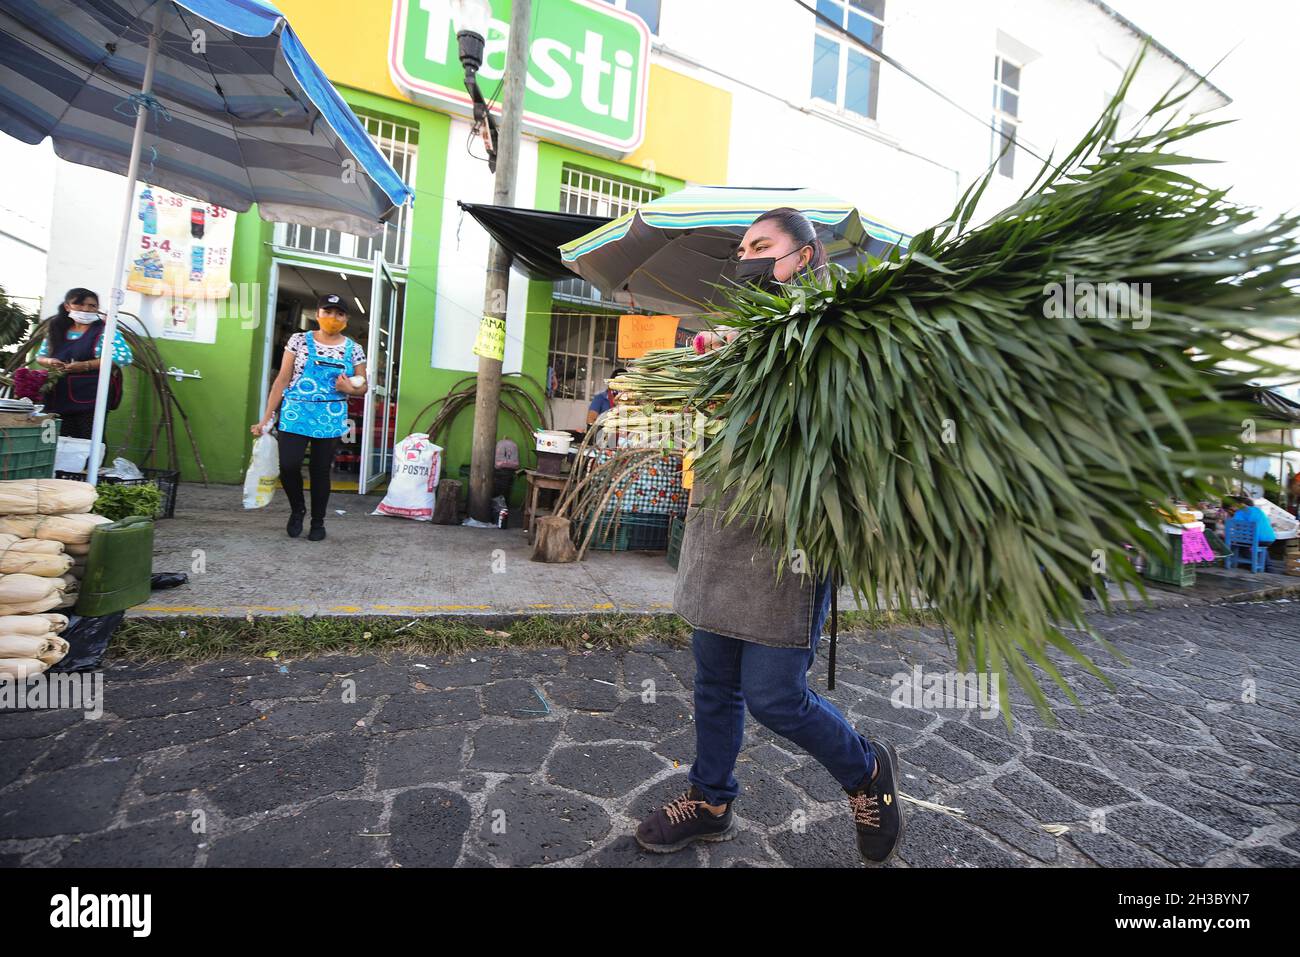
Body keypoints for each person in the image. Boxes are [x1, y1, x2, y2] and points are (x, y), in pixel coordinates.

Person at [635, 208, 904, 865]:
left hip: (790, 538)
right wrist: (718, 370)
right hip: (721, 524)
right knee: (713, 682)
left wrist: (761, 363)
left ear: (806, 255)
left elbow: (849, 428)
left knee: (777, 696)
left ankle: (866, 769)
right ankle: (711, 799)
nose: (748, 258)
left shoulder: (840, 331)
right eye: (743, 248)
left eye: (764, 246)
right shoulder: (735, 330)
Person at [252, 294, 367, 541]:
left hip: (330, 415)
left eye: (339, 314)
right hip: (295, 412)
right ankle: (297, 510)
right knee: (290, 465)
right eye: (328, 312)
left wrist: (350, 389)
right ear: (318, 314)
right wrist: (266, 418)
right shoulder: (299, 341)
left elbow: (363, 385)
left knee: (320, 470)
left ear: (346, 319)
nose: (333, 318)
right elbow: (282, 380)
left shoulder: (354, 349)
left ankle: (318, 521)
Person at [34, 288, 133, 440]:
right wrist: (50, 362)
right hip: (56, 394)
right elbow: (40, 356)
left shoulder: (105, 331)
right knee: (54, 439)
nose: (86, 309)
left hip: (90, 396)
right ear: (67, 307)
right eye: (79, 305)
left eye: (92, 306)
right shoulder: (57, 329)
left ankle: (89, 465)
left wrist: (86, 365)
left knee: (89, 438)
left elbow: (123, 357)